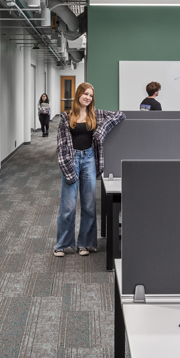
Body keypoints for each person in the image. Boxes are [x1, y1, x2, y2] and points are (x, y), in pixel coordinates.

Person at [54, 82, 125, 257]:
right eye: (85, 94)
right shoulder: (66, 117)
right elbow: (61, 145)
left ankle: (85, 243)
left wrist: (101, 130)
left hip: (89, 160)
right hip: (72, 160)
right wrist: (67, 167)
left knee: (89, 205)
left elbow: (119, 115)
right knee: (68, 206)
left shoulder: (96, 114)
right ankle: (62, 244)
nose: (88, 97)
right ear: (78, 94)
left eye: (91, 95)